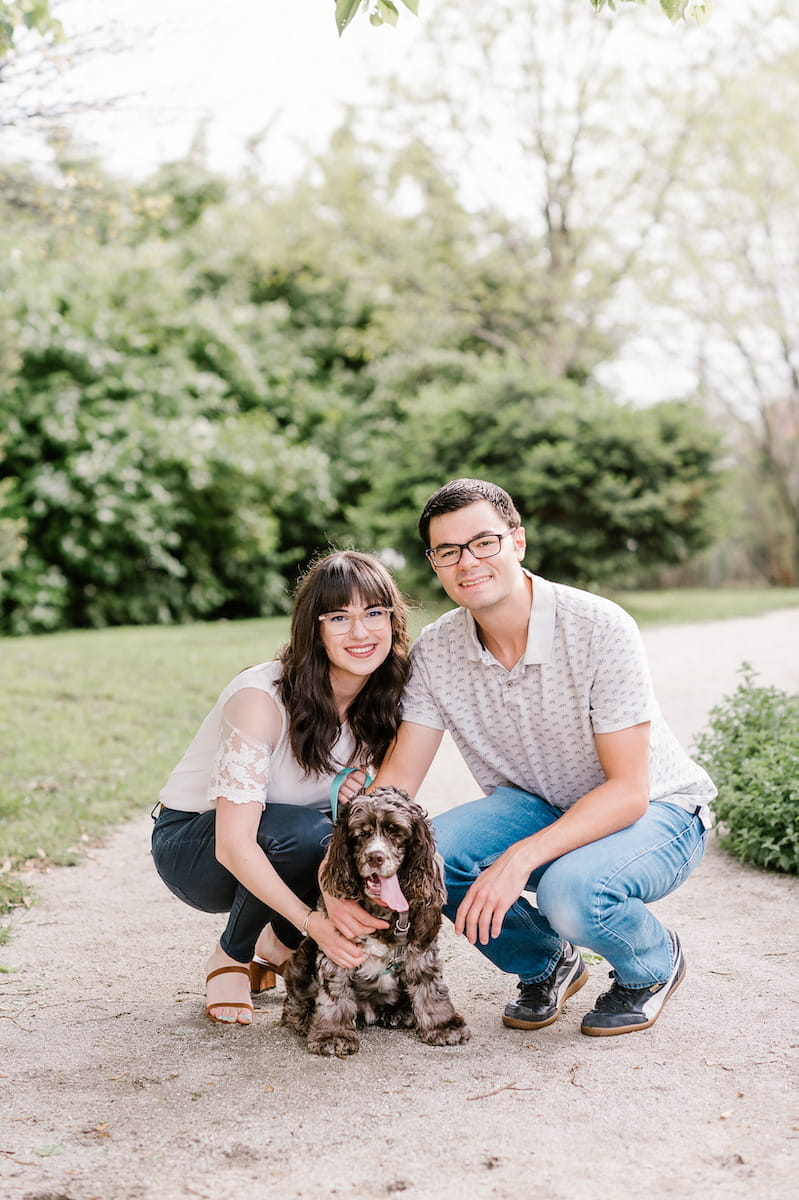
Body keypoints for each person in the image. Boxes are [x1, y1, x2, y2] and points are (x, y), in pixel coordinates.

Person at [331, 478, 715, 1037]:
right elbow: (398, 786)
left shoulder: (600, 629)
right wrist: (343, 864)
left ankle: (652, 965)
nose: (468, 562)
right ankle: (546, 962)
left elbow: (629, 790)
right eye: (449, 551)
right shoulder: (437, 651)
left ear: (518, 541)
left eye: (484, 542)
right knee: (428, 858)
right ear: (434, 563)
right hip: (539, 804)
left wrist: (518, 860)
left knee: (569, 891)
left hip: (657, 808)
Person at [151, 550, 406, 1025]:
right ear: (314, 629)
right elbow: (233, 844)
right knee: (307, 835)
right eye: (339, 617)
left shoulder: (384, 699)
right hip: (197, 848)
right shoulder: (261, 698)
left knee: (347, 838)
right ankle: (231, 956)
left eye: (374, 613)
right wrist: (315, 922)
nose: (361, 632)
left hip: (291, 840)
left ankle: (277, 947)